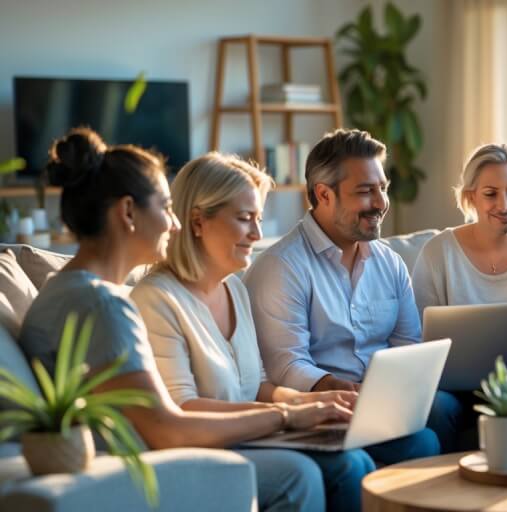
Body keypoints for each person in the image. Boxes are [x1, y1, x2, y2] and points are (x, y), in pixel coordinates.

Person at [19, 128, 349, 512]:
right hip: (129, 475)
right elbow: (167, 428)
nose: (173, 225)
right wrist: (287, 415)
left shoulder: (73, 291)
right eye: (164, 207)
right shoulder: (104, 304)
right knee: (299, 474)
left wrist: (300, 406)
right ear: (128, 212)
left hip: (120, 464)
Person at [130, 152, 375, 512]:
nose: (257, 234)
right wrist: (287, 416)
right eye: (245, 219)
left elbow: (257, 384)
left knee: (358, 461)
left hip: (254, 435)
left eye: (258, 219)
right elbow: (182, 407)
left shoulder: (236, 289)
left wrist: (310, 401)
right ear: (197, 221)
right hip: (205, 449)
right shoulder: (156, 300)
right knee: (334, 470)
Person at [244, 129, 440, 464]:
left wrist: (400, 387)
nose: (380, 203)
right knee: (388, 453)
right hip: (316, 410)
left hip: (379, 404)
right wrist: (339, 388)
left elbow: (409, 342)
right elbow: (285, 365)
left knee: (433, 427)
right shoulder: (282, 267)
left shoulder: (389, 262)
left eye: (382, 189)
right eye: (365, 192)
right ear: (324, 194)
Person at [412, 143, 507, 452]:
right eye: (490, 194)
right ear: (470, 197)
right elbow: (419, 335)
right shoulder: (437, 252)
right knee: (437, 407)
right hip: (453, 387)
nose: (504, 204)